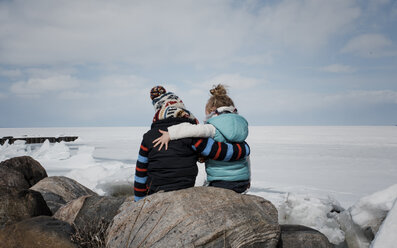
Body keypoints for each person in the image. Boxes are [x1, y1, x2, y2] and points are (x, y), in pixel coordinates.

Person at [133, 86, 250, 202]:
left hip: (157, 190)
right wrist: (244, 149)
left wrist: (139, 202)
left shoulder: (149, 137)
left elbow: (140, 171)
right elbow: (212, 151)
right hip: (189, 187)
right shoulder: (239, 133)